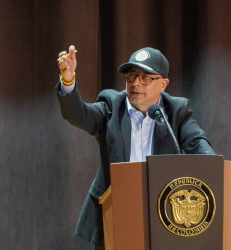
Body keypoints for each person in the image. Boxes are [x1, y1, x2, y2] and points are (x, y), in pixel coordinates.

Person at [56, 45, 215, 249]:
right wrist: (68, 82)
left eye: (146, 77)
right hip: (115, 213)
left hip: (162, 214)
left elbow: (198, 144)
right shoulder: (111, 105)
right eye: (131, 76)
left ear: (163, 84)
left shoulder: (176, 111)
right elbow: (78, 114)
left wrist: (214, 171)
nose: (136, 83)